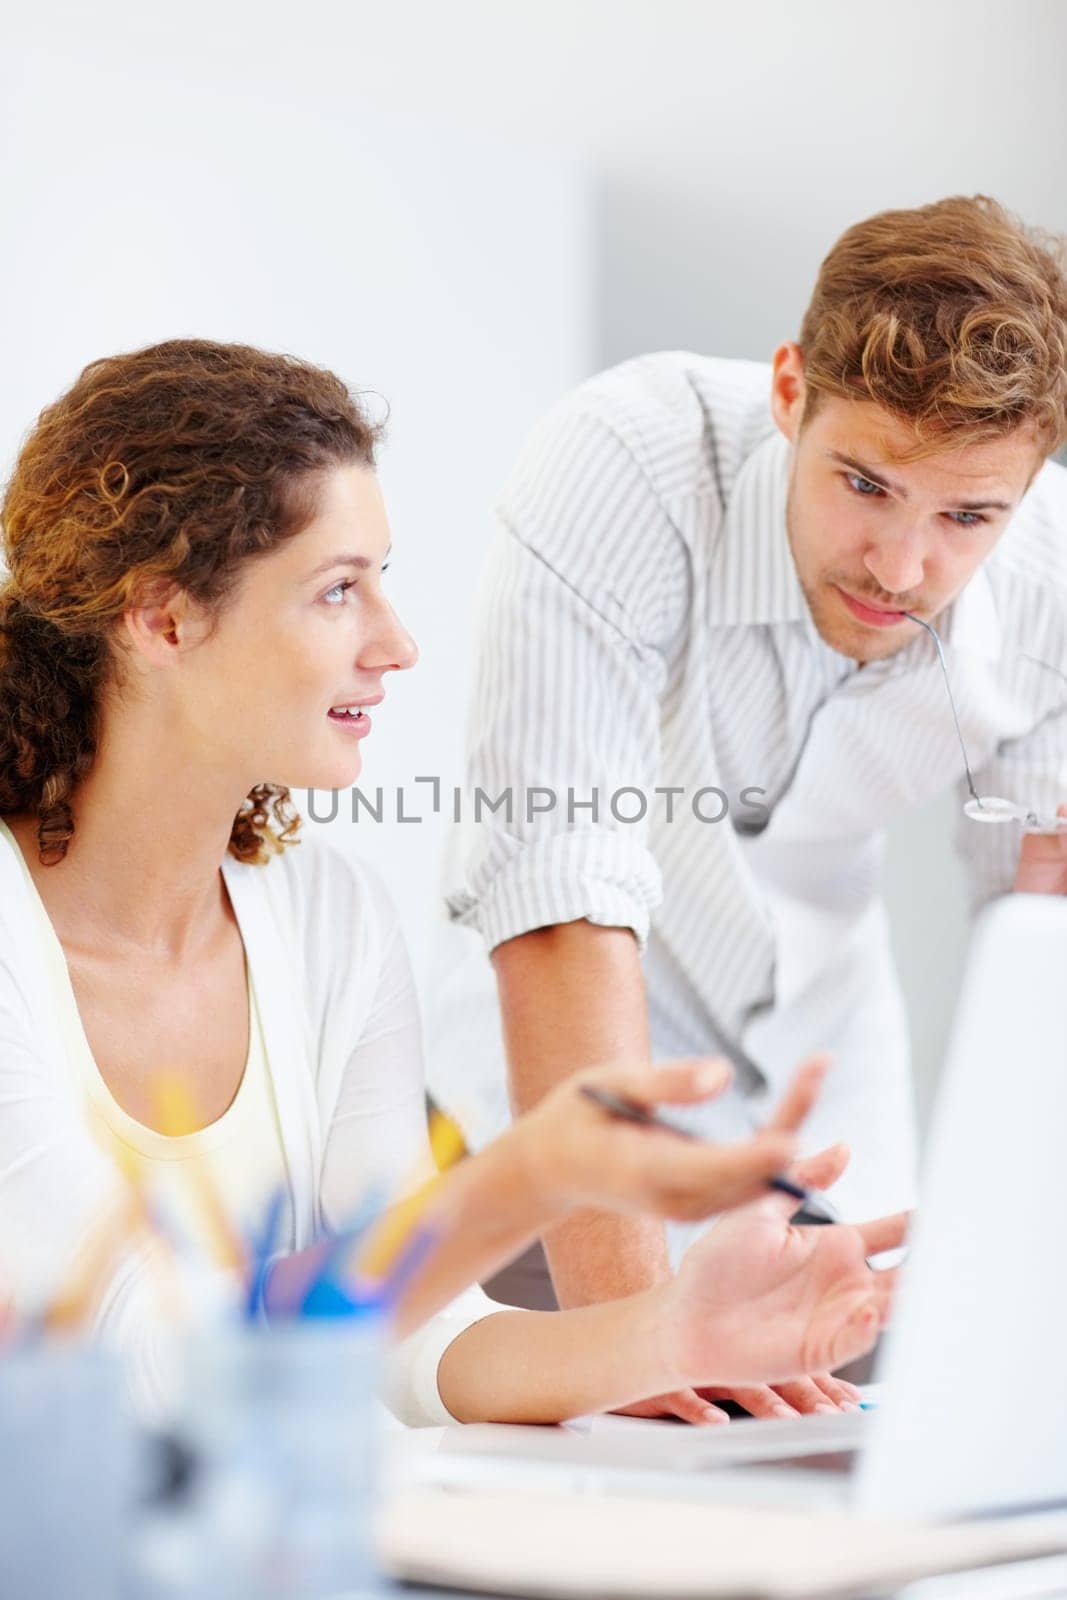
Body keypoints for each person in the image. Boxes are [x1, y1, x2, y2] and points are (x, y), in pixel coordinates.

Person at [0, 339, 902, 1426]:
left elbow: (410, 1340)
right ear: (163, 618)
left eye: (382, 581)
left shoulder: (331, 920)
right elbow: (152, 1352)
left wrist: (673, 1331)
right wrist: (517, 1182)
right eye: (338, 591)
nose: (396, 642)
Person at [429, 193, 1067, 1424]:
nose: (899, 565)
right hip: (547, 1135)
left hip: (831, 1156)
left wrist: (1018, 1296)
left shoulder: (1054, 597)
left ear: (1030, 486)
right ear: (789, 392)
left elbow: (1038, 955)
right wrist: (645, 1337)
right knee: (591, 1506)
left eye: (967, 517)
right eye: (865, 483)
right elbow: (558, 890)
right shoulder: (623, 463)